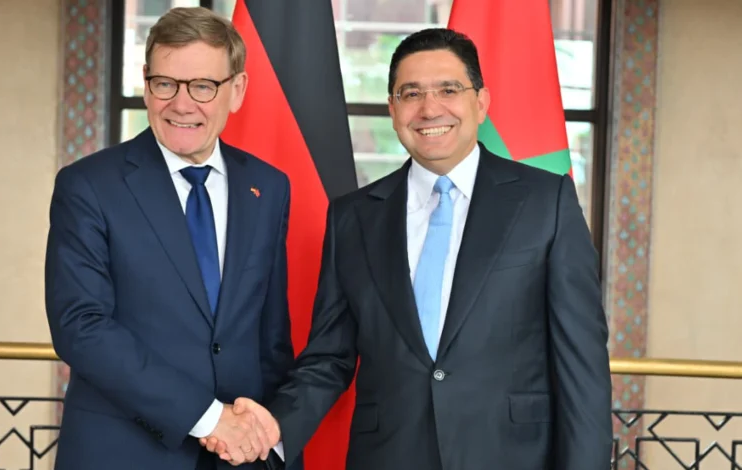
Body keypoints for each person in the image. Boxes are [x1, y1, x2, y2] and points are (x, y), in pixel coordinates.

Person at [205, 27, 613, 470]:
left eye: (448, 90)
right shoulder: (353, 217)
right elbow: (329, 358)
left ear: (481, 102)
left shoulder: (545, 203)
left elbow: (582, 367)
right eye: (411, 93)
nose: (429, 108)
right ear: (392, 109)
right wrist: (274, 427)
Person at [44, 7, 300, 470]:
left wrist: (269, 445)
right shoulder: (88, 186)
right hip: (122, 454)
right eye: (165, 84)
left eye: (203, 86)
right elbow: (81, 327)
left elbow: (271, 338)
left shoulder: (268, 187)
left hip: (241, 458)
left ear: (237, 90)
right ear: (146, 83)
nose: (182, 105)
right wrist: (210, 419)